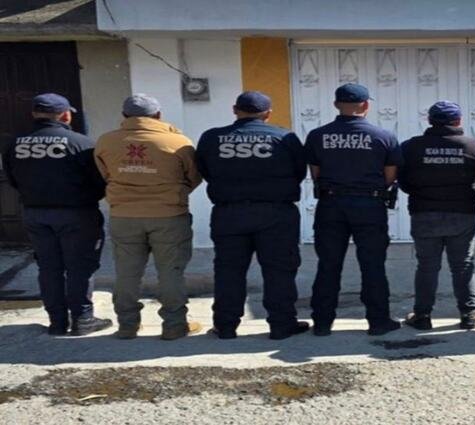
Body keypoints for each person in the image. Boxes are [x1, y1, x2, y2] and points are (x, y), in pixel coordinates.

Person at [195, 92, 309, 340]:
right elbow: (299, 171)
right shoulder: (284, 137)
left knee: (228, 270)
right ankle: (282, 325)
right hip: (276, 212)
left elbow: (204, 169)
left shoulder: (212, 137)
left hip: (229, 213)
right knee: (279, 270)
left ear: (235, 110)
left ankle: (225, 326)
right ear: (268, 113)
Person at [1, 93, 111, 336]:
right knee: (79, 267)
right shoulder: (81, 143)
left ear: (34, 114)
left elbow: (12, 179)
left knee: (49, 268)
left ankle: (57, 322)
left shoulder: (14, 143)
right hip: (77, 214)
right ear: (65, 115)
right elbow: (100, 181)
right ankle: (83, 319)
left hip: (35, 214)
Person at [95, 94, 203, 340]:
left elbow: (105, 175)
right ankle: (174, 325)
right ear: (158, 115)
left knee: (127, 273)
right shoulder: (177, 142)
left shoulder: (106, 141)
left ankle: (127, 326)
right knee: (171, 272)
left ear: (124, 116)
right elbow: (193, 176)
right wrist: (174, 193)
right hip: (169, 215)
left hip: (124, 216)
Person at [304, 83, 403, 337]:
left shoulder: (317, 135)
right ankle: (378, 321)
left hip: (331, 204)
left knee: (328, 264)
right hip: (369, 205)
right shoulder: (384, 136)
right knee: (373, 265)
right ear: (366, 105)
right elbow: (390, 177)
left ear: (336, 104)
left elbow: (315, 173)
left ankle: (322, 323)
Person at [398, 101, 475, 330]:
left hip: (424, 213)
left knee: (427, 266)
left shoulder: (410, 147)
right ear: (458, 121)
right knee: (463, 265)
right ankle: (469, 314)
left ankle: (422, 316)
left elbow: (404, 183)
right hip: (463, 214)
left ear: (429, 121)